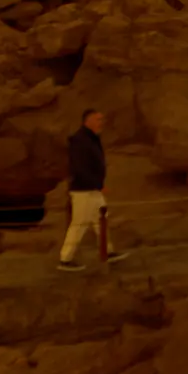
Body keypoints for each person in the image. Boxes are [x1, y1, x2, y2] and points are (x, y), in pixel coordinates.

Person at [59, 109, 123, 271]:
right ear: (88, 121)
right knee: (79, 223)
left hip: (92, 189)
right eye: (98, 119)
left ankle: (107, 251)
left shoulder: (91, 139)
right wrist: (97, 183)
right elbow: (80, 167)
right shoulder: (80, 140)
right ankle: (66, 258)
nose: (101, 122)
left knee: (101, 219)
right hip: (83, 189)